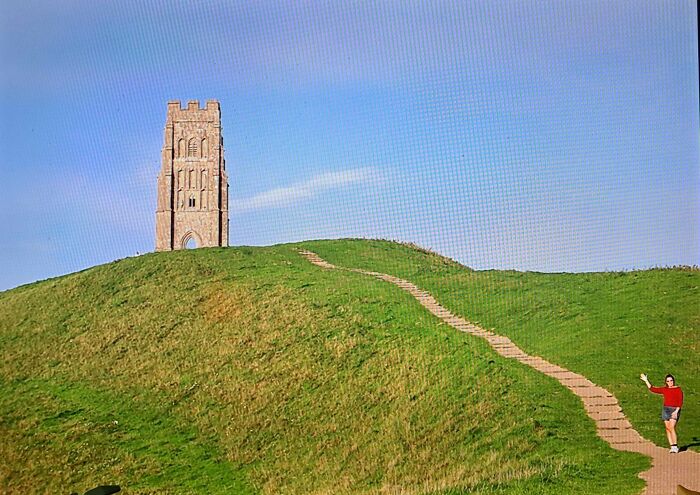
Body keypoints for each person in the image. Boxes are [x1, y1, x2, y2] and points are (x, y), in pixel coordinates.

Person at [640, 373, 683, 453]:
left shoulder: (678, 389)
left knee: (671, 427)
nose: (670, 382)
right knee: (667, 428)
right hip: (666, 409)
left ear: (673, 381)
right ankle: (672, 447)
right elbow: (652, 389)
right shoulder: (665, 389)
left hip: (674, 410)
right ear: (666, 382)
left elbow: (680, 401)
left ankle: (675, 446)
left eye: (671, 380)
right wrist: (646, 381)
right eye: (668, 381)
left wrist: (676, 411)